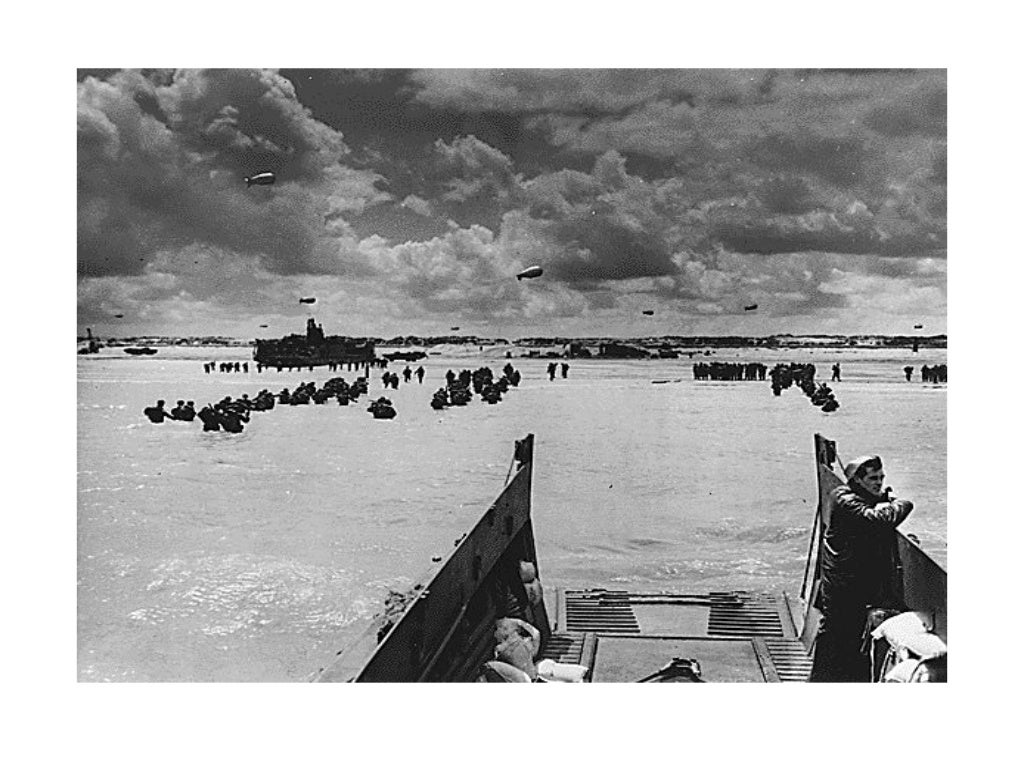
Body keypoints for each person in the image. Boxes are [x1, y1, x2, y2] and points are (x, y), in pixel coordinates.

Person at [810, 455, 913, 682]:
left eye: (881, 478)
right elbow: (877, 519)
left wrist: (881, 498)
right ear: (857, 480)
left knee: (847, 640)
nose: (879, 483)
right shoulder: (845, 499)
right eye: (873, 478)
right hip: (843, 587)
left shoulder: (851, 496)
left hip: (850, 583)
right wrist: (902, 504)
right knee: (835, 639)